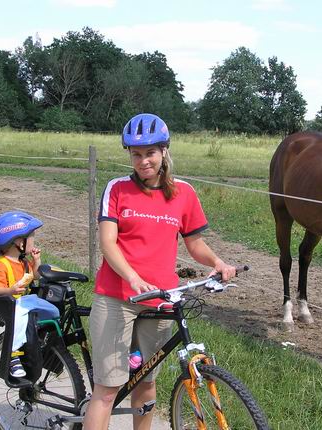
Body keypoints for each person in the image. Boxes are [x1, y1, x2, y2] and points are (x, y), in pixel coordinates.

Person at [83, 113, 237, 430]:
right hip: (117, 297)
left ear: (164, 150)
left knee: (146, 384)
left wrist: (218, 263)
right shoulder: (117, 189)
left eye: (150, 153)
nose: (143, 161)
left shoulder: (184, 193)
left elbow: (195, 243)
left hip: (161, 299)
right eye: (136, 154)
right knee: (108, 390)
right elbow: (108, 243)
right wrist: (132, 278)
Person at [0, 211, 60, 378]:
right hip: (12, 303)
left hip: (27, 300)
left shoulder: (22, 261)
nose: (34, 240)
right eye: (31, 236)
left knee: (54, 312)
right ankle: (13, 354)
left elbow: (35, 276)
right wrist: (10, 290)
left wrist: (37, 262)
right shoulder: (2, 265)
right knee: (20, 315)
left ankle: (43, 344)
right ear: (18, 241)